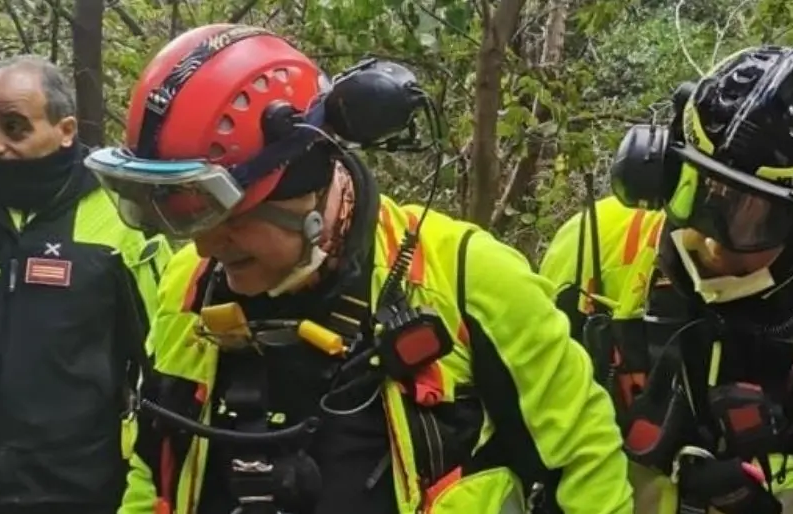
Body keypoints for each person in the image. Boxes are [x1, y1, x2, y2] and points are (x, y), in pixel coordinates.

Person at [92, 24, 632, 514]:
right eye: (187, 219)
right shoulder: (188, 285)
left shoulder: (468, 276)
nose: (206, 245)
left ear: (305, 183)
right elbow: (153, 470)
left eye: (227, 217)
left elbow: (585, 460)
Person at [538, 43, 793, 514]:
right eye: (698, 190)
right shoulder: (599, 243)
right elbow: (523, 418)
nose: (711, 237)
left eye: (751, 217)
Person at [0, 55, 171, 514]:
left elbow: (164, 364)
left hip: (82, 489)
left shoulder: (120, 216)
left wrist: (147, 489)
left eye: (14, 127)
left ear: (65, 130)